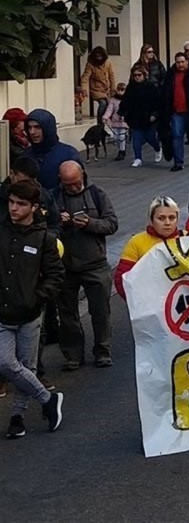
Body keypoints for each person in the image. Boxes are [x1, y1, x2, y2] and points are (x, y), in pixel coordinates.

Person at [0, 178, 66, 439]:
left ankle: (17, 418)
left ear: (34, 207)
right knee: (6, 363)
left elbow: (55, 276)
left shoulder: (44, 239)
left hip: (29, 315)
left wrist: (36, 299)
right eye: (11, 202)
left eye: (21, 204)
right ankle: (48, 399)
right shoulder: (1, 231)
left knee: (26, 366)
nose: (14, 208)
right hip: (2, 315)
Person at [51, 161, 118, 370]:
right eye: (67, 184)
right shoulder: (53, 197)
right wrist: (57, 222)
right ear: (60, 180)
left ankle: (102, 351)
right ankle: (73, 355)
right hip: (65, 266)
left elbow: (112, 224)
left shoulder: (98, 194)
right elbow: (45, 229)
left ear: (83, 176)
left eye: (76, 183)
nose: (72, 188)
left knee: (100, 311)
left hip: (95, 263)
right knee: (67, 314)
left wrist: (90, 223)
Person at [114, 196, 182, 300]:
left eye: (172, 217)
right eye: (161, 218)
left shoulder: (186, 239)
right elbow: (122, 279)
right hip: (149, 304)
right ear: (151, 219)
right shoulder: (136, 242)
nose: (167, 223)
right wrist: (137, 303)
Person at [22, 110, 83, 190]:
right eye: (29, 128)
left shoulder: (68, 154)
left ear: (48, 128)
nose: (32, 132)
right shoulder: (25, 155)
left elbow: (81, 186)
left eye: (37, 127)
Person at [82, 46, 117, 123]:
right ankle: (99, 124)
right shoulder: (90, 65)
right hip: (96, 89)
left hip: (106, 88)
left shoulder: (108, 63)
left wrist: (113, 90)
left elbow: (111, 77)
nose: (99, 58)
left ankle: (105, 121)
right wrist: (84, 89)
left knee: (109, 105)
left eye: (100, 56)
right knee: (103, 103)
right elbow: (85, 77)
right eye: (97, 56)